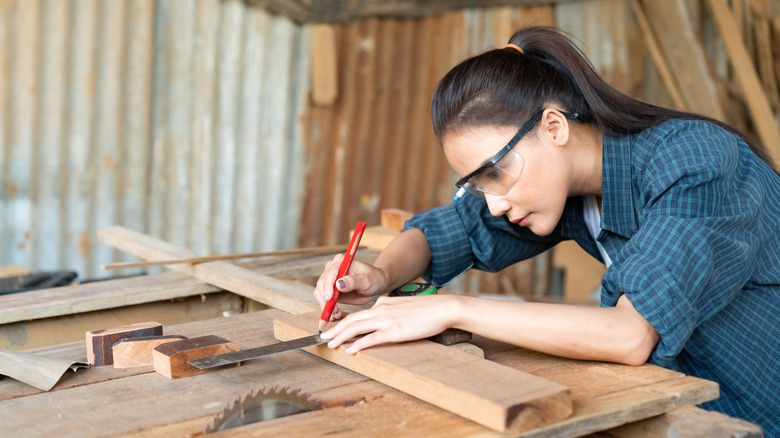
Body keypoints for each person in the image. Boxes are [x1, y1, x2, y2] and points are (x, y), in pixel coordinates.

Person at [312, 26, 779, 433]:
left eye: (495, 172)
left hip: (757, 412)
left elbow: (629, 334)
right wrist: (378, 276)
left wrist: (452, 309)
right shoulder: (569, 190)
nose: (493, 204)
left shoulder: (694, 163)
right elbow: (444, 232)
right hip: (696, 405)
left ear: (554, 126)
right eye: (477, 185)